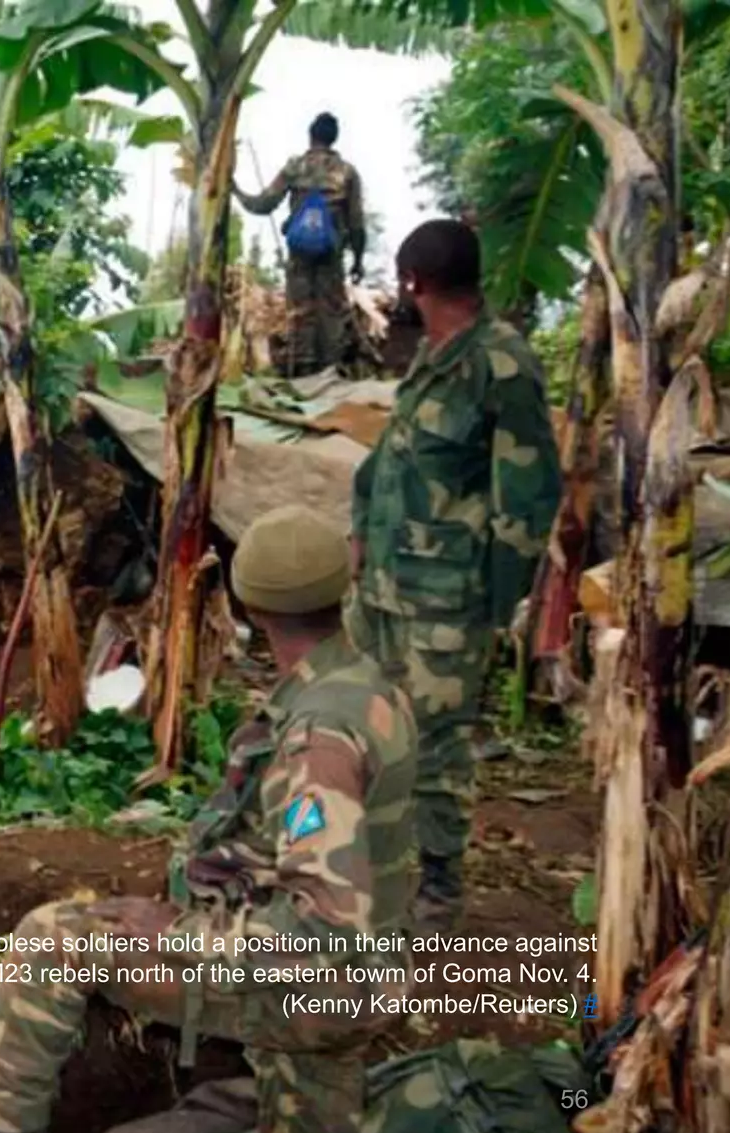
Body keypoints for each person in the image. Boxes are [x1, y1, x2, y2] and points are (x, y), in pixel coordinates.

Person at [0, 505, 417, 1133]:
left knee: (51, 940)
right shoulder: (366, 687)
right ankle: (290, 1110)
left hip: (317, 990)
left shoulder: (318, 741)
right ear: (342, 594)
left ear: (249, 608)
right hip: (367, 976)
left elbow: (325, 930)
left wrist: (180, 931)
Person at [349, 218, 562, 933]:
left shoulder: (499, 365)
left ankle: (438, 888)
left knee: (436, 746)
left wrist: (495, 610)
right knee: (369, 727)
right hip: (385, 588)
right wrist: (358, 535)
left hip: (448, 600)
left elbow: (526, 499)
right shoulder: (433, 353)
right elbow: (391, 460)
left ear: (415, 282)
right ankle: (375, 865)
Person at [237, 113, 367, 376]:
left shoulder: (294, 167)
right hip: (331, 251)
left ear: (310, 136)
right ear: (334, 139)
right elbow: (356, 224)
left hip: (299, 251)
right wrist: (358, 260)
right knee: (330, 311)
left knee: (299, 310)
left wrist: (235, 189)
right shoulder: (347, 172)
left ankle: (303, 369)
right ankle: (331, 370)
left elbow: (263, 205)